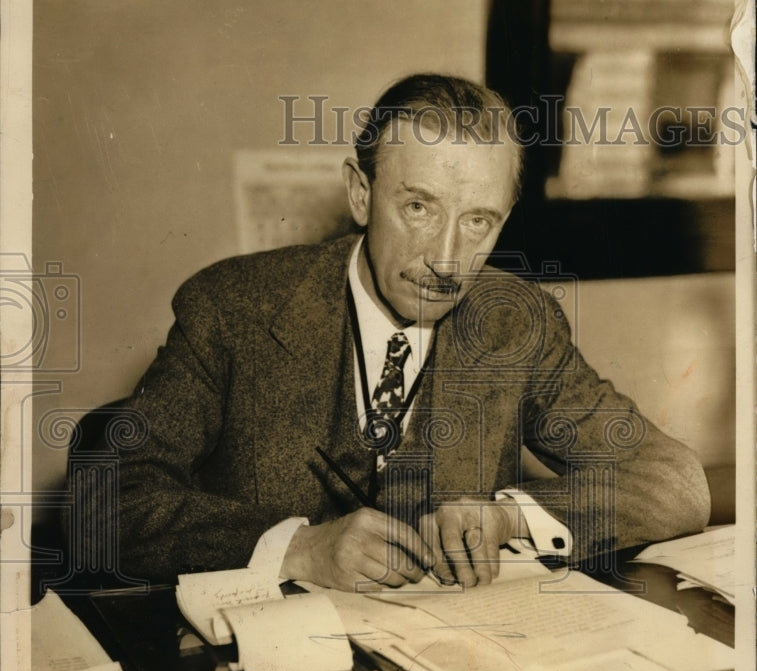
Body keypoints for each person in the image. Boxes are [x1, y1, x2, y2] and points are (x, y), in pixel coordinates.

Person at [78, 73, 710, 592]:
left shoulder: (516, 321)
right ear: (361, 193)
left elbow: (675, 483)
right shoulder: (232, 309)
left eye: (479, 221)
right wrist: (293, 548)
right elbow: (105, 501)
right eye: (417, 207)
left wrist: (511, 516)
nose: (445, 257)